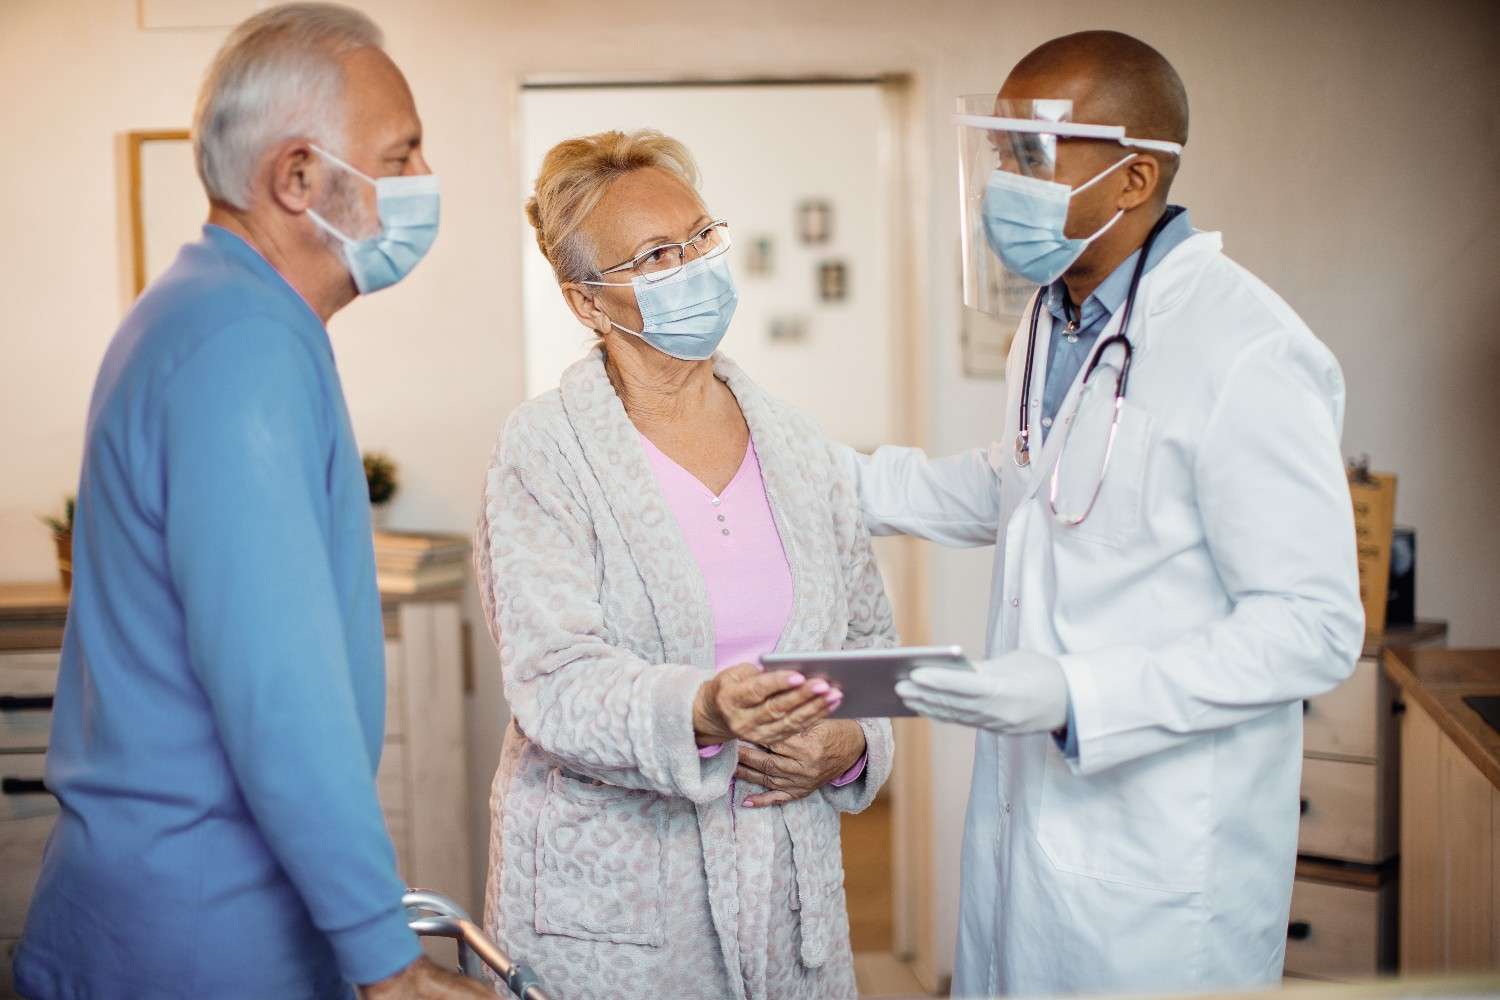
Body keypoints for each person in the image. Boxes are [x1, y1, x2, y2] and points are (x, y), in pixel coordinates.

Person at [843, 30, 1364, 997]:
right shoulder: (1056, 317)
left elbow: (1313, 628)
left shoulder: (1247, 350)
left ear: (1132, 180)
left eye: (1034, 154)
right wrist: (824, 475)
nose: (1007, 179)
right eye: (1002, 153)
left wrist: (1083, 695)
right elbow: (1027, 489)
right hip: (1030, 830)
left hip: (1158, 867)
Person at [13, 5, 486, 998]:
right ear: (299, 177)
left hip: (189, 902)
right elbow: (278, 688)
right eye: (400, 156)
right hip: (196, 929)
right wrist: (385, 956)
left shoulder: (214, 313)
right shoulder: (241, 345)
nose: (421, 182)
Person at [474, 128, 896, 1000]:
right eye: (656, 254)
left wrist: (852, 746)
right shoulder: (546, 451)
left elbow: (866, 649)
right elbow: (553, 679)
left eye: (702, 237)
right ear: (588, 303)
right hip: (619, 908)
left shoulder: (798, 446)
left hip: (784, 890)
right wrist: (701, 708)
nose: (695, 265)